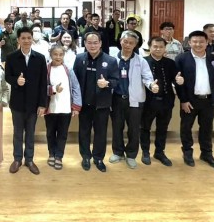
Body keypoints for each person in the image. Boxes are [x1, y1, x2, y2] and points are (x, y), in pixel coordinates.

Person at [176, 30, 214, 169]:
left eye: (201, 42)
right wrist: (183, 100)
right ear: (189, 43)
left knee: (207, 129)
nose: (198, 44)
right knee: (186, 128)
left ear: (207, 43)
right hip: (190, 101)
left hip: (209, 101)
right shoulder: (182, 58)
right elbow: (178, 82)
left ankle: (207, 154)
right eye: (195, 41)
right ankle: (187, 152)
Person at [109, 31, 158, 169]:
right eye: (125, 42)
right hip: (116, 99)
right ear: (120, 41)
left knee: (134, 129)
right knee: (117, 127)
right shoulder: (112, 59)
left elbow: (147, 77)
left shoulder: (141, 61)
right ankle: (118, 152)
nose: (127, 45)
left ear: (135, 44)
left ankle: (131, 155)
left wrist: (152, 85)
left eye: (131, 43)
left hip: (135, 100)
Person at [5, 27, 48, 175]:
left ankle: (29, 159)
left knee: (30, 133)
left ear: (32, 39)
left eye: (29, 38)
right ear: (18, 40)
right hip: (17, 102)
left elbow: (43, 83)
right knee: (17, 132)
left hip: (34, 103)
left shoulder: (40, 58)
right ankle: (17, 159)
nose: (26, 41)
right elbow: (7, 76)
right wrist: (16, 81)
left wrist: (42, 104)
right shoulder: (11, 57)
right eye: (23, 38)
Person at [73, 31, 119, 173]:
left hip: (102, 104)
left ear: (100, 43)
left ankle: (98, 158)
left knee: (100, 133)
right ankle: (85, 157)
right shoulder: (79, 58)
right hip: (84, 104)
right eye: (89, 42)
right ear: (85, 44)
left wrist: (107, 83)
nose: (92, 45)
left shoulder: (110, 60)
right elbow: (75, 81)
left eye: (95, 43)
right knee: (84, 132)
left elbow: (116, 81)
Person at [141, 37, 184, 166]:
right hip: (148, 101)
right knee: (144, 128)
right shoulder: (143, 61)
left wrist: (179, 81)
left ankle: (159, 152)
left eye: (161, 47)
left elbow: (176, 78)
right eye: (155, 46)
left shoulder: (170, 63)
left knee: (162, 128)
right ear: (150, 47)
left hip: (166, 101)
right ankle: (145, 152)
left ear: (165, 48)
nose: (158, 49)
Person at [45, 45, 82, 171]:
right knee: (50, 133)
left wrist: (76, 106)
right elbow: (41, 87)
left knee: (62, 134)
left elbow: (76, 87)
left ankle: (59, 156)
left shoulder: (68, 70)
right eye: (55, 54)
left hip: (66, 108)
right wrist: (53, 89)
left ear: (64, 55)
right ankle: (51, 153)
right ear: (51, 55)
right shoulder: (46, 69)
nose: (58, 57)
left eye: (60, 54)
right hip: (51, 108)